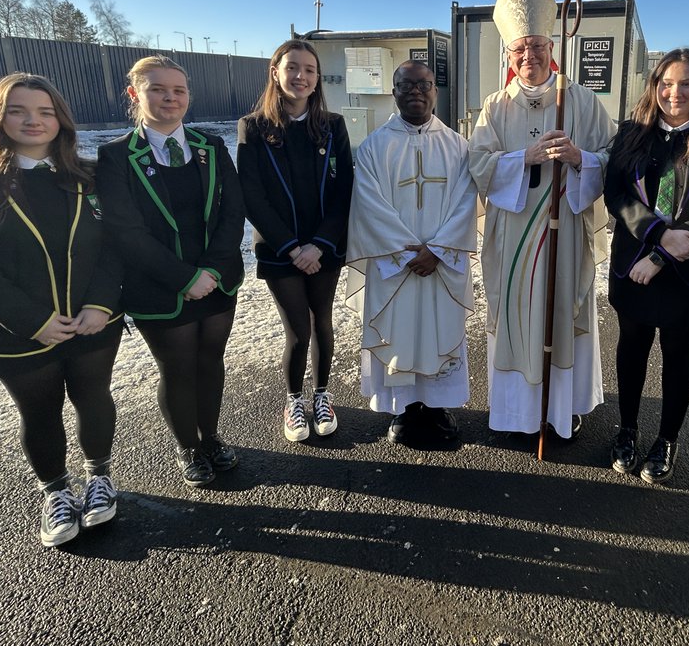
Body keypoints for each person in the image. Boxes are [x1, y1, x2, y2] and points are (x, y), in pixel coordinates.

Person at [0, 73, 124, 547]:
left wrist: (101, 304)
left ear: (61, 119)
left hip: (92, 321)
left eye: (45, 111)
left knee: (94, 398)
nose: (34, 121)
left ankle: (99, 477)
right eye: (19, 110)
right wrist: (32, 321)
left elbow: (116, 247)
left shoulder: (91, 177)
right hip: (15, 329)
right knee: (39, 413)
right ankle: (56, 491)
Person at [469, 0, 616, 439]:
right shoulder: (493, 106)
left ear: (552, 48)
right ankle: (516, 413)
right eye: (520, 48)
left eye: (537, 45)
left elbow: (614, 158)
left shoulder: (583, 101)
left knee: (561, 312)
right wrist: (524, 157)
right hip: (513, 236)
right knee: (516, 319)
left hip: (565, 232)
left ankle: (561, 407)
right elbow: (478, 165)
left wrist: (580, 158)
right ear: (508, 54)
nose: (528, 54)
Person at [96, 55, 245, 487]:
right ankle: (188, 447)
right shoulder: (116, 157)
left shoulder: (210, 146)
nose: (170, 98)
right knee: (177, 369)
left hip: (217, 280)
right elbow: (125, 231)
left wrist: (213, 269)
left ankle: (212, 437)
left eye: (178, 90)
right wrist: (184, 278)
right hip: (156, 286)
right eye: (158, 89)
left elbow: (231, 211)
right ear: (135, 94)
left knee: (211, 361)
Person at [604, 49, 689, 483]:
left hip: (688, 266)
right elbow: (616, 194)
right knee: (632, 346)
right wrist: (656, 236)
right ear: (654, 86)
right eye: (666, 83)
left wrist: (664, 253)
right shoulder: (633, 131)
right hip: (635, 264)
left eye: (685, 84)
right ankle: (627, 429)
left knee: (678, 354)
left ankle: (667, 437)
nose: (674, 92)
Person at [346, 62, 477, 443]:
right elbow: (370, 205)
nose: (415, 91)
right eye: (406, 85)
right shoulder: (373, 146)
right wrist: (407, 255)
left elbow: (467, 201)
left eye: (424, 84)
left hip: (440, 262)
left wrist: (436, 251)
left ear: (435, 90)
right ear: (394, 91)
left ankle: (437, 406)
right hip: (395, 266)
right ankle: (402, 409)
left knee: (438, 329)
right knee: (399, 333)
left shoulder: (457, 145)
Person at [237, 39, 353, 443]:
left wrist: (319, 244)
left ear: (318, 78)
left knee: (322, 322)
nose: (300, 76)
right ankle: (293, 400)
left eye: (309, 69)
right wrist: (292, 247)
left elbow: (344, 193)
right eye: (292, 68)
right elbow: (252, 195)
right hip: (279, 248)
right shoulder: (253, 128)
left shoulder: (333, 126)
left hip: (325, 248)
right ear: (276, 72)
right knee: (297, 329)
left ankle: (322, 395)